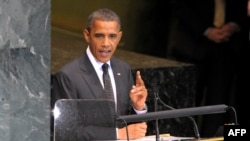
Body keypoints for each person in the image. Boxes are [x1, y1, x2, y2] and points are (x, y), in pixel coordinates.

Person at [51, 8, 148, 140]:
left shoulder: (123, 69)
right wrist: (117, 134)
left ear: (119, 37)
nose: (106, 44)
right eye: (99, 36)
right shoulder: (68, 76)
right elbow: (67, 131)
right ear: (87, 35)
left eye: (112, 36)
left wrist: (138, 107)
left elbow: (128, 124)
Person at [169, 0, 248, 138]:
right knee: (187, 105)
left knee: (218, 106)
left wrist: (235, 24)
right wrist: (206, 30)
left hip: (228, 47)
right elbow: (177, 5)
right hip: (192, 47)